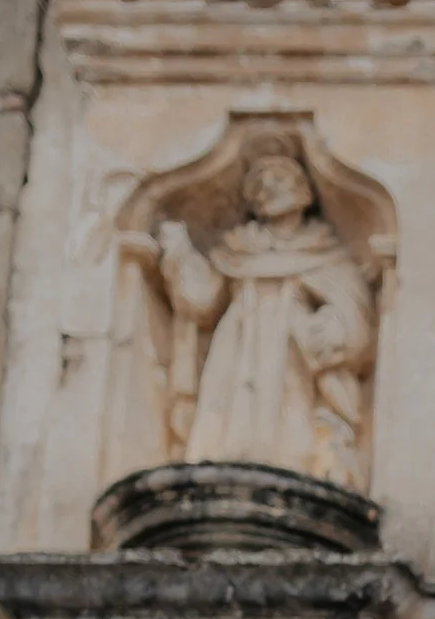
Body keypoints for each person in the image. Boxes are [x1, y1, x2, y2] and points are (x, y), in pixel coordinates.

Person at [144, 139, 379, 490]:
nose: (270, 188)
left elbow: (354, 312)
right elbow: (202, 301)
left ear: (303, 193)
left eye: (280, 180)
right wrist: (179, 253)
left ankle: (294, 474)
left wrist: (331, 329)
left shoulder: (324, 251)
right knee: (226, 413)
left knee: (290, 415)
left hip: (290, 345)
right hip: (237, 340)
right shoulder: (237, 248)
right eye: (261, 184)